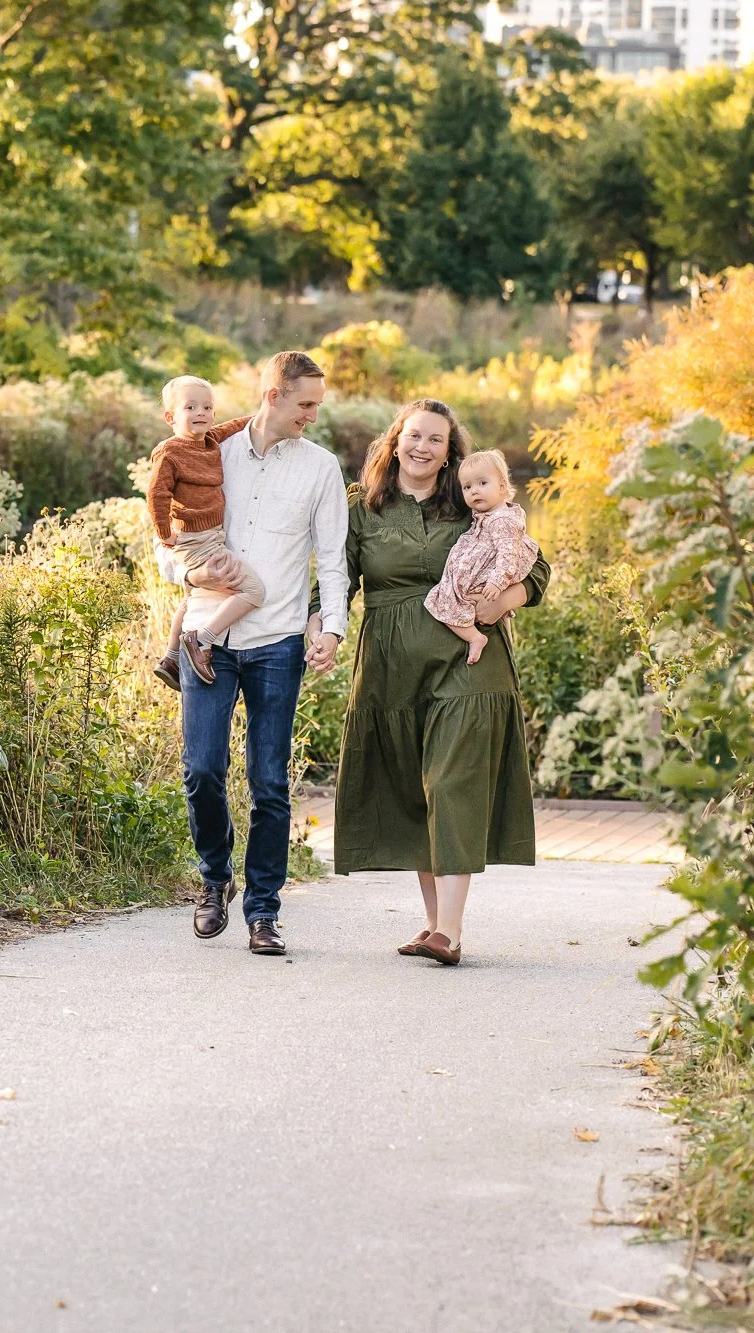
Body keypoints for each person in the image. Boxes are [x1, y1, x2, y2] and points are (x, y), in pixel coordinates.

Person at [325, 400, 550, 966]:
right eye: (414, 436)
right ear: (395, 440)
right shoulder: (363, 507)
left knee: (450, 782)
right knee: (413, 786)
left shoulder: (473, 503)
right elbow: (335, 577)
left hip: (468, 662)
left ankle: (449, 931)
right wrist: (322, 629)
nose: (423, 447)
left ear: (452, 451)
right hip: (390, 667)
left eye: (437, 440)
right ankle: (433, 924)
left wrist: (502, 603)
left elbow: (535, 566)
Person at [155, 351, 348, 958]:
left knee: (270, 782)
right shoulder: (211, 451)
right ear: (273, 395)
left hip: (280, 639)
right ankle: (215, 877)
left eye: (317, 405)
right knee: (201, 770)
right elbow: (171, 533)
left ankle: (263, 911)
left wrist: (332, 630)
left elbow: (333, 560)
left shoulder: (321, 469)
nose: (313, 416)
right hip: (206, 632)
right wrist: (182, 577)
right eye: (305, 404)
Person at [148, 375, 268, 689]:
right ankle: (201, 641)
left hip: (211, 535)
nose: (201, 412)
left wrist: (264, 414)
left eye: (207, 407)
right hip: (195, 540)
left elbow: (237, 425)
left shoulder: (211, 440)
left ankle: (172, 658)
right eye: (190, 407)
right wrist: (164, 533)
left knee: (194, 600)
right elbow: (157, 494)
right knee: (254, 592)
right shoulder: (170, 453)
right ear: (171, 417)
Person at [424, 450, 540, 666]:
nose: (474, 491)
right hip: (487, 575)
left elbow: (508, 554)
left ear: (503, 486)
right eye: (467, 487)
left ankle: (475, 637)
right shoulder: (489, 516)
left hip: (491, 579)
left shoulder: (501, 520)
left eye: (482, 483)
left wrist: (498, 581)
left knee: (443, 598)